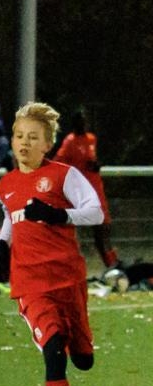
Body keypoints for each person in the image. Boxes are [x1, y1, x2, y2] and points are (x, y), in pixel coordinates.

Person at [0, 101, 104, 386]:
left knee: (83, 359)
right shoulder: (5, 185)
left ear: (47, 144)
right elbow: (12, 216)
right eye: (19, 136)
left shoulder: (64, 176)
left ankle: (76, 342)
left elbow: (96, 212)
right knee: (54, 352)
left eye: (32, 137)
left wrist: (58, 214)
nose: (24, 143)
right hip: (30, 284)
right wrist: (2, 243)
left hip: (67, 279)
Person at [54, 108, 120, 269]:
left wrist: (96, 165)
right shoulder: (70, 142)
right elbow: (58, 163)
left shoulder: (91, 139)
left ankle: (113, 267)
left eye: (85, 121)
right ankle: (65, 267)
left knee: (102, 231)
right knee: (67, 232)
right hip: (80, 193)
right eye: (80, 121)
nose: (83, 124)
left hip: (96, 189)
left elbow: (93, 159)